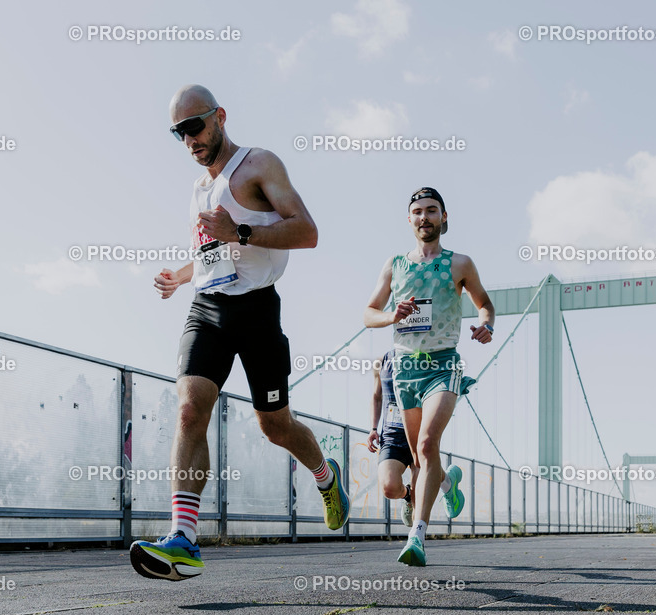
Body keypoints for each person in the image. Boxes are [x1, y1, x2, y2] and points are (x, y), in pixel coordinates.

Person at [130, 85, 350, 581]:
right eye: (177, 133)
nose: (189, 140)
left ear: (220, 117)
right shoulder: (198, 188)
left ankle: (325, 476)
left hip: (257, 312)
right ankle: (184, 540)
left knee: (275, 427)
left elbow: (307, 231)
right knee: (189, 410)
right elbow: (214, 252)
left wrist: (242, 233)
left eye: (194, 127)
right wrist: (180, 277)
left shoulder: (258, 165)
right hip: (207, 307)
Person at [363, 187, 495, 566]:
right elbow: (369, 312)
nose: (425, 217)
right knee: (422, 461)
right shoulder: (394, 265)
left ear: (444, 218)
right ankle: (448, 482)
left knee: (425, 445)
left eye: (432, 211)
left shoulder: (461, 264)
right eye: (418, 212)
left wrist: (485, 323)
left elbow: (483, 303)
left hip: (443, 363)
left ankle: (416, 536)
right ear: (410, 220)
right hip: (405, 367)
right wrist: (392, 316)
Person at [368, 350, 418, 527]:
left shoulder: (427, 356)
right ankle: (407, 495)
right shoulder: (381, 361)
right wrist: (374, 428)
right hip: (391, 436)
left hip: (420, 434)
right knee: (389, 487)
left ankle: (416, 541)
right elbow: (376, 395)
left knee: (420, 498)